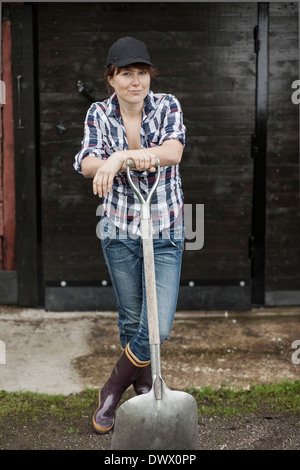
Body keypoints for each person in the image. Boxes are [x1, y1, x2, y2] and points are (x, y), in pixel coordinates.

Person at [74, 37, 186, 434]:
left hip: (166, 228)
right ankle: (143, 391)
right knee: (132, 320)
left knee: (159, 325)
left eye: (141, 73)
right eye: (126, 74)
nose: (135, 81)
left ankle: (111, 388)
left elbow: (173, 152)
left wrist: (120, 157)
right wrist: (105, 160)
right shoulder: (98, 114)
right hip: (119, 228)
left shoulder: (167, 104)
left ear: (148, 76)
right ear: (112, 78)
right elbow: (87, 162)